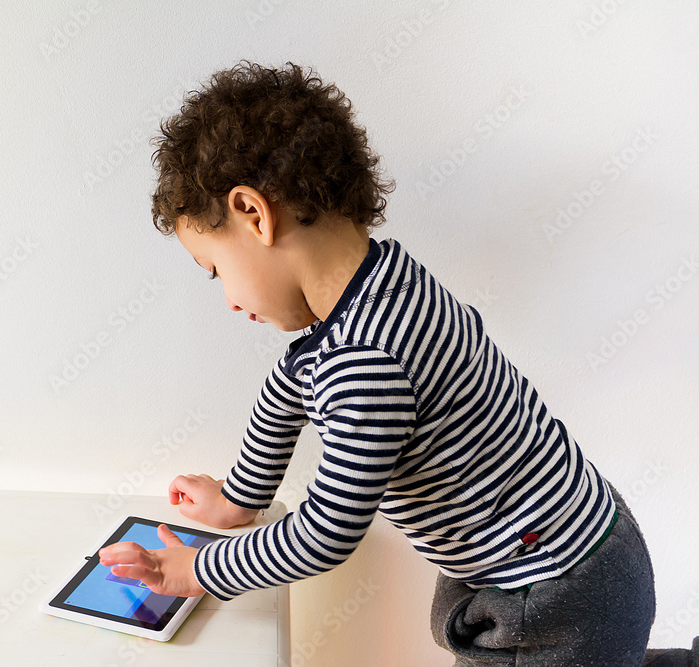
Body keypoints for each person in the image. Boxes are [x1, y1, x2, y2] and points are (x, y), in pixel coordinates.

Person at [98, 60, 698, 666]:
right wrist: (238, 498)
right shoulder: (387, 282)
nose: (229, 299)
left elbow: (324, 532)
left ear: (254, 213)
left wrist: (197, 569)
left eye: (216, 270)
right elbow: (289, 386)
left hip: (552, 594)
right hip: (580, 548)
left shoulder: (367, 359)